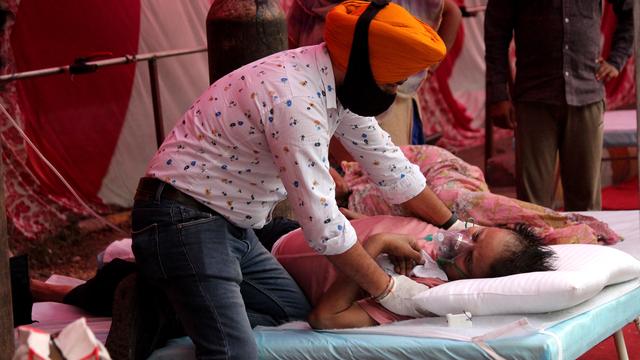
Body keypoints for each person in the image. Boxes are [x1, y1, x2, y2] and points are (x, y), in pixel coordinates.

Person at [130, 1, 458, 358]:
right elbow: (323, 225)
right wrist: (390, 292)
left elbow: (390, 165)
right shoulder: (296, 99)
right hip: (185, 220)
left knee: (288, 313)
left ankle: (170, 311)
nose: (392, 93)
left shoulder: (334, 78)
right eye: (391, 83)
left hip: (233, 226)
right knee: (234, 353)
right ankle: (166, 305)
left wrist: (456, 226)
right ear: (365, 69)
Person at [271, 214, 556, 328]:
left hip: (273, 264)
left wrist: (375, 244)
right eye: (476, 234)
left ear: (473, 282)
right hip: (291, 227)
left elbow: (324, 318)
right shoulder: (434, 233)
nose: (459, 242)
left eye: (468, 261)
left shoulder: (421, 296)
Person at [484, 0, 634, 211]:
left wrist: (616, 61)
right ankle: (537, 245)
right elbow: (495, 35)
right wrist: (498, 95)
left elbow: (631, 12)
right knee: (532, 204)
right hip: (534, 98)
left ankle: (586, 244)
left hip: (586, 95)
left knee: (586, 202)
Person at [334, 144, 623, 245]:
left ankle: (561, 221)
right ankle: (538, 231)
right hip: (421, 209)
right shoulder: (338, 214)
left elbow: (399, 166)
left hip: (434, 175)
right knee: (463, 235)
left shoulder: (353, 170)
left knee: (452, 204)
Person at [287, 0, 462, 146]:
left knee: (383, 161)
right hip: (319, 94)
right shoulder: (308, 5)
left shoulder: (389, 11)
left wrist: (428, 68)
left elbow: (451, 12)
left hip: (388, 106)